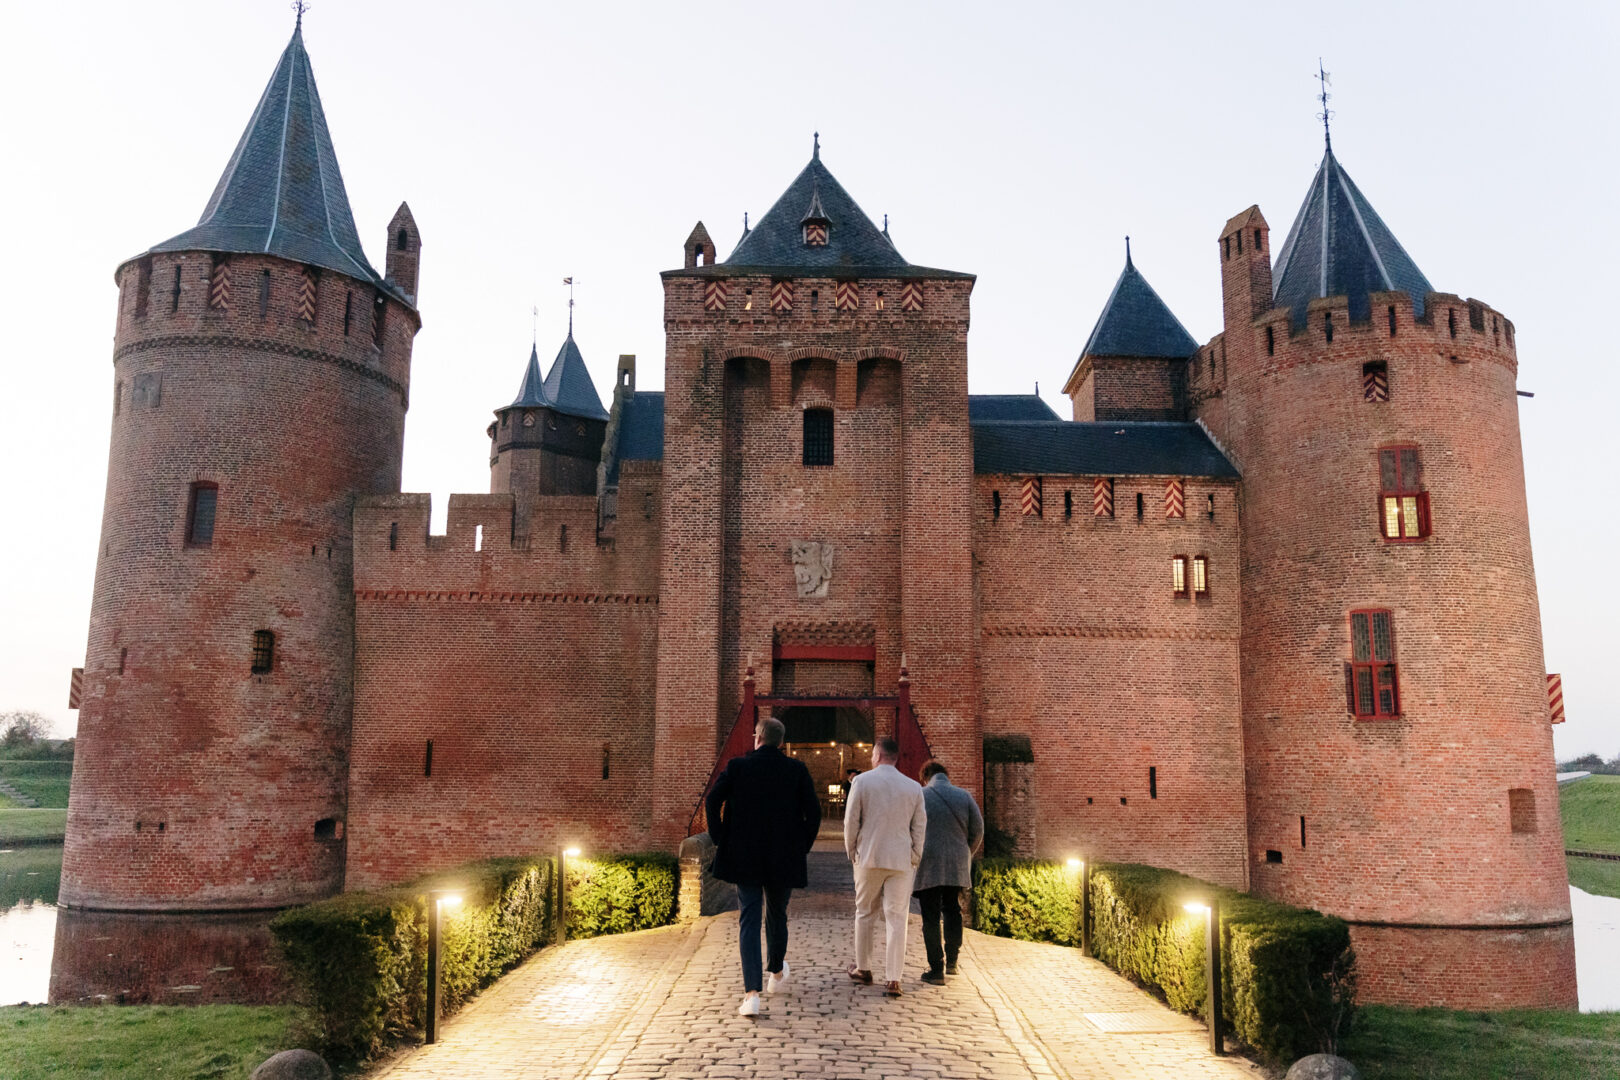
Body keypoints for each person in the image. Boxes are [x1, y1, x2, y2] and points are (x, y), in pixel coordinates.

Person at [706, 716, 822, 1018]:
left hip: (744, 856)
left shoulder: (738, 767)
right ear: (781, 742)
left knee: (748, 919)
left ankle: (752, 994)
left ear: (758, 737)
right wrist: (801, 847)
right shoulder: (796, 770)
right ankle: (776, 973)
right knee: (777, 914)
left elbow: (712, 801)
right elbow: (814, 813)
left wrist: (721, 839)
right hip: (783, 857)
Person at [843, 735, 926, 997]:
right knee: (897, 918)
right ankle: (894, 978)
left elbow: (851, 821)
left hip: (869, 856)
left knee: (865, 912)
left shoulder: (862, 782)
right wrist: (915, 855)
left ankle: (864, 968)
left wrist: (852, 851)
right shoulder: (913, 787)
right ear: (895, 757)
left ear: (877, 755)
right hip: (901, 860)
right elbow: (920, 825)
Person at [911, 759, 984, 984]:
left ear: (925, 777)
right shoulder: (964, 796)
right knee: (953, 911)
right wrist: (965, 854)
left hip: (928, 862)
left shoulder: (920, 795)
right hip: (956, 863)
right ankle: (953, 962)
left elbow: (910, 828)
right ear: (946, 775)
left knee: (930, 917)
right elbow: (978, 830)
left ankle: (936, 969)